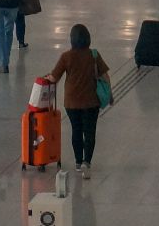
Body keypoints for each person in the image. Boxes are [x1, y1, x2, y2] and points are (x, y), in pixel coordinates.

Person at [42, 23, 111, 178]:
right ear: (88, 39)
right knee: (90, 132)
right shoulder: (94, 55)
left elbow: (54, 77)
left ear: (72, 39)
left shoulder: (66, 56)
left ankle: (78, 162)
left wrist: (46, 78)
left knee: (76, 131)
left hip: (71, 103)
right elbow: (104, 76)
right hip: (91, 102)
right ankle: (87, 162)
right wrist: (110, 93)